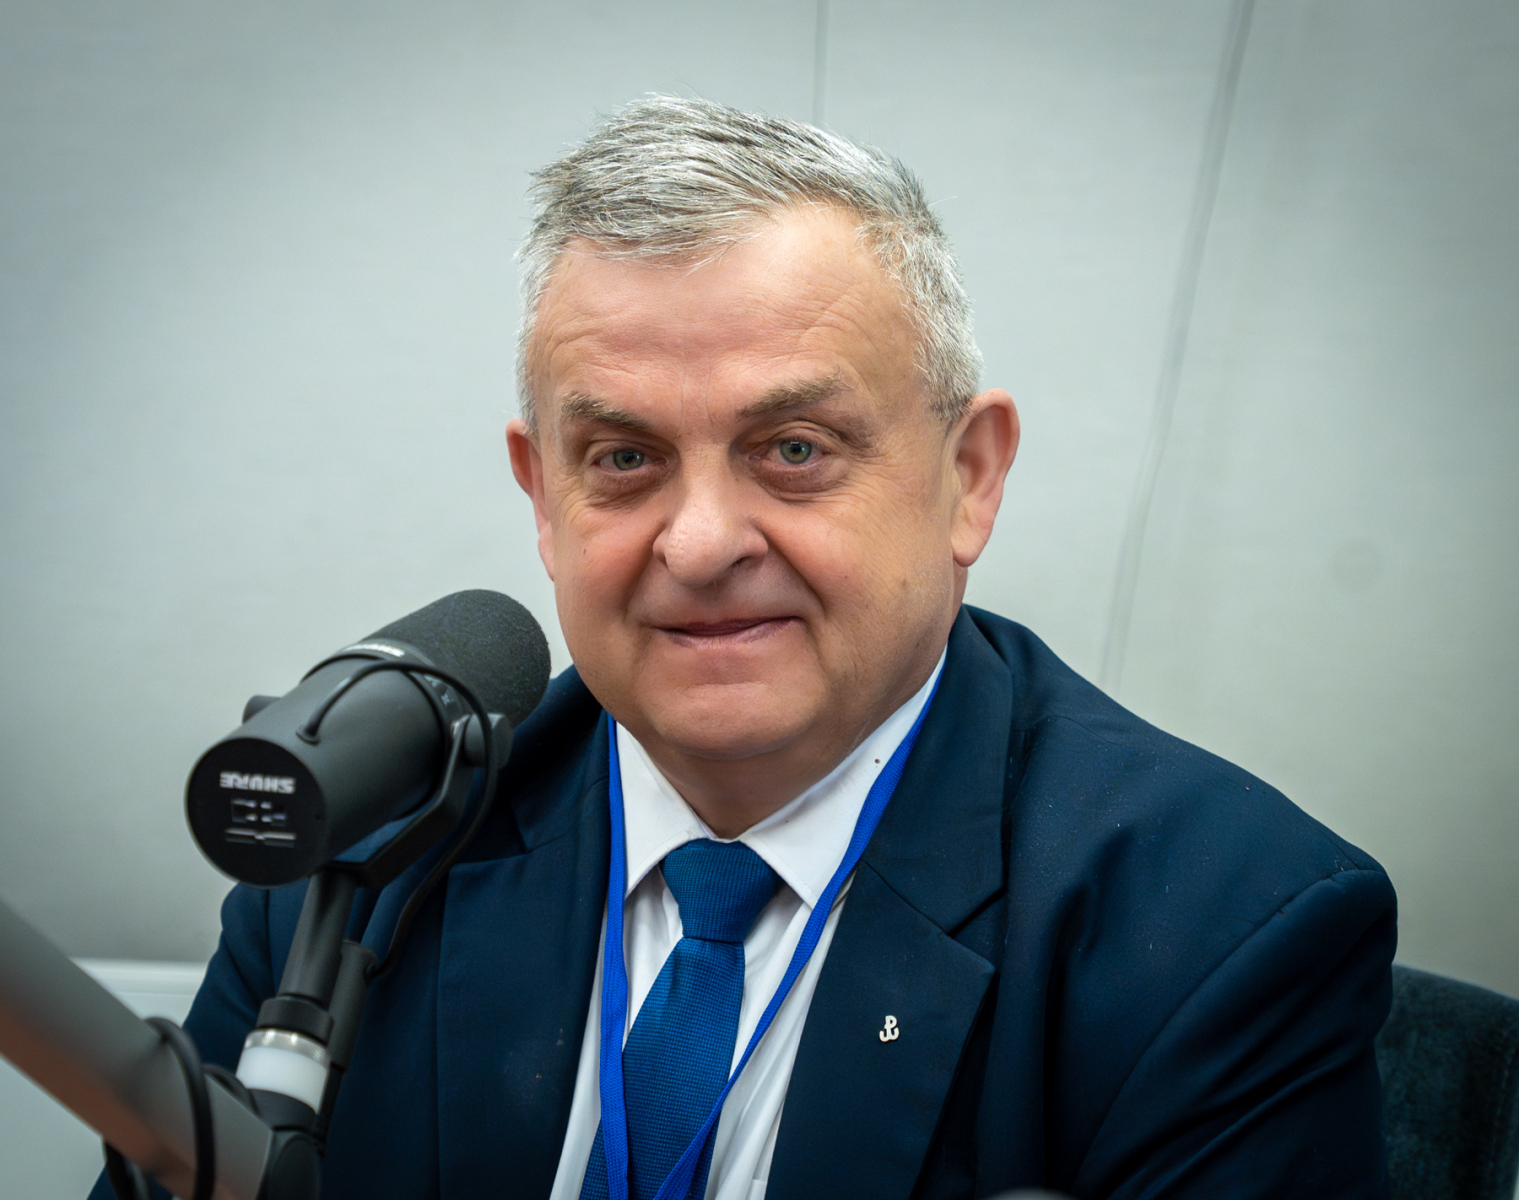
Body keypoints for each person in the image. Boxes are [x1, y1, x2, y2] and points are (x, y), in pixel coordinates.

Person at [94, 97, 1396, 1200]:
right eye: (624, 459)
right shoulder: (363, 859)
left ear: (969, 478)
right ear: (542, 497)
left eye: (794, 449)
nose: (703, 542)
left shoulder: (1223, 928)